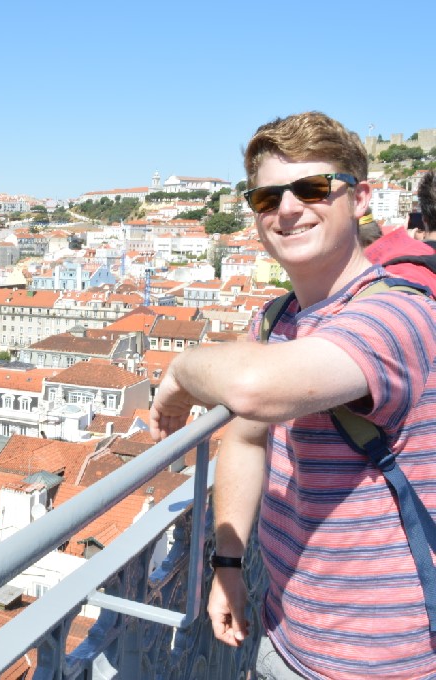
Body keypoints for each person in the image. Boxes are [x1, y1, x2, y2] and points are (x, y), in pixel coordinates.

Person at [149, 111, 436, 679]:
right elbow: (246, 439)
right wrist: (228, 562)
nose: (286, 209)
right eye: (267, 197)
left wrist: (181, 369)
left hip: (387, 658)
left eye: (312, 188)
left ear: (360, 199)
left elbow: (253, 390)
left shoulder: (401, 315)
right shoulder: (274, 318)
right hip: (283, 634)